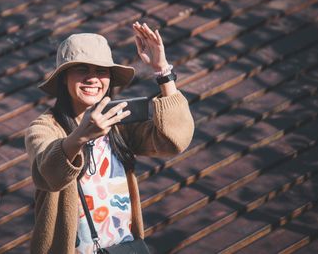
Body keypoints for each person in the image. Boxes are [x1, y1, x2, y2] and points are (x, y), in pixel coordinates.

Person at [25, 24, 195, 254]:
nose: (92, 78)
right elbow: (50, 174)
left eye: (101, 71)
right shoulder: (44, 128)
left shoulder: (118, 123)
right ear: (63, 78)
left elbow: (175, 140)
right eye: (82, 69)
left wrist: (163, 71)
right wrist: (80, 136)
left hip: (122, 246)